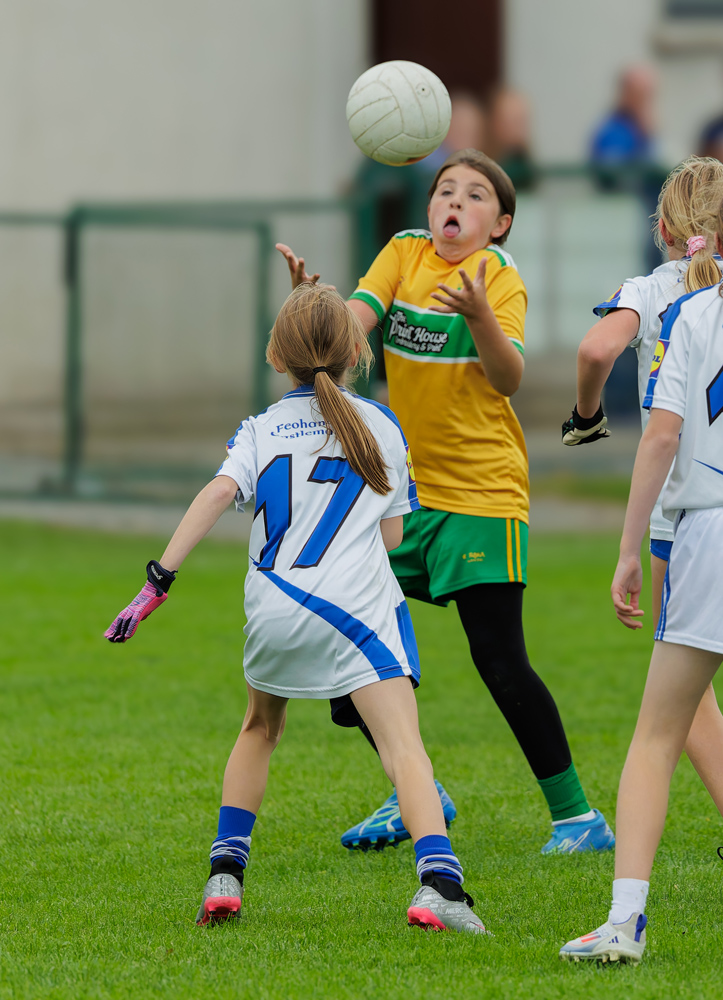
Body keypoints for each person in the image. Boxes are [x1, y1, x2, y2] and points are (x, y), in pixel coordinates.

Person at [103, 283, 488, 935]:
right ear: (356, 353)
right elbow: (394, 538)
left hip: (274, 612)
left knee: (258, 730)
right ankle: (440, 887)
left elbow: (217, 493)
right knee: (403, 746)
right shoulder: (382, 425)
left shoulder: (260, 429)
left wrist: (157, 584)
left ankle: (225, 875)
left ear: (275, 357)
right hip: (357, 616)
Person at [276, 149, 614, 856]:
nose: (454, 201)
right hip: (402, 499)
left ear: (501, 222)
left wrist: (481, 316)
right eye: (444, 191)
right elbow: (351, 334)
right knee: (343, 636)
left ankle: (577, 818)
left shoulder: (498, 276)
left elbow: (508, 378)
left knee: (498, 657)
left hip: (482, 493)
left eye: (475, 194)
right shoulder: (403, 253)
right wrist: (317, 313)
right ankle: (417, 792)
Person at [559, 193, 723, 964]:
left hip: (703, 530)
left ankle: (624, 921)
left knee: (658, 733)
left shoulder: (686, 310)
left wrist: (628, 550)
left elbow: (659, 437)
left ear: (665, 229)